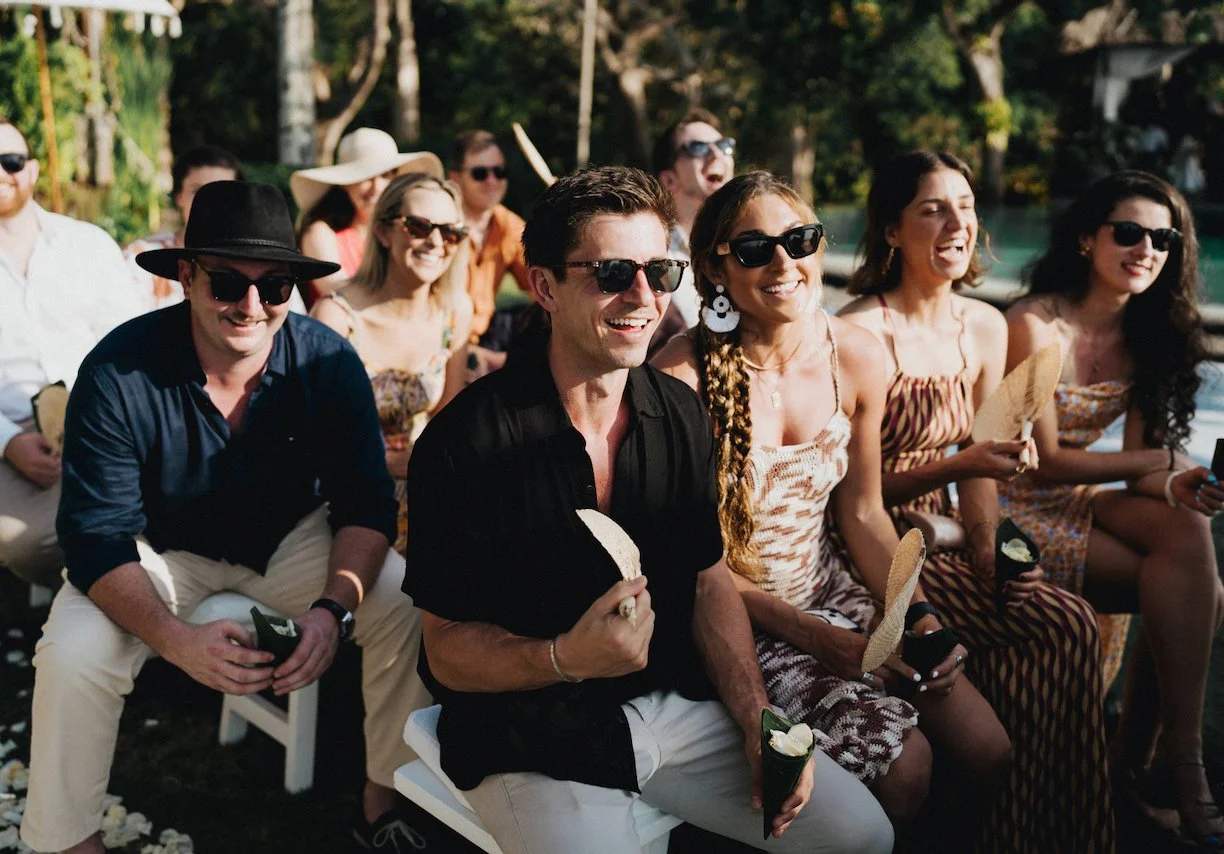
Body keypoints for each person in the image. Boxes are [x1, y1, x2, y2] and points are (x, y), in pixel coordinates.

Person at [403, 164, 894, 854]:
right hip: (529, 732)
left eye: (659, 273)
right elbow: (445, 647)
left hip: (671, 706)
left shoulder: (679, 411)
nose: (644, 297)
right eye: (611, 274)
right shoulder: (466, 442)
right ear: (544, 286)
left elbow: (707, 576)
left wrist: (756, 719)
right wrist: (564, 657)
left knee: (863, 835)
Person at [19, 182, 432, 854]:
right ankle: (67, 843)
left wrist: (332, 611)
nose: (251, 305)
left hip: (289, 539)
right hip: (156, 549)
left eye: (274, 287)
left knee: (400, 597)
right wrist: (174, 638)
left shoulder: (328, 361)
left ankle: (383, 799)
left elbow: (366, 503)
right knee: (72, 651)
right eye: (227, 283)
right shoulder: (119, 369)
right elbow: (94, 536)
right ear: (186, 276)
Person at [653, 171, 1013, 834]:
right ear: (716, 269)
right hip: (740, 618)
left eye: (800, 239)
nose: (785, 262)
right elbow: (689, 564)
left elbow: (864, 514)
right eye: (756, 249)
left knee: (988, 751)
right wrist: (816, 636)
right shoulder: (680, 377)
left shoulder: (855, 355)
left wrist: (918, 614)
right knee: (908, 770)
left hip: (834, 590)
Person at [838, 150, 1114, 854]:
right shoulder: (856, 331)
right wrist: (959, 462)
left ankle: (1047, 830)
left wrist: (991, 545)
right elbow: (850, 493)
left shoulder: (986, 327)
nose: (958, 221)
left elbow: (983, 470)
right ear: (892, 230)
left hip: (955, 533)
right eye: (933, 207)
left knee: (1065, 623)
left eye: (965, 205)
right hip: (874, 545)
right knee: (1064, 627)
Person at [1003, 169, 1224, 852]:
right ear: (1085, 239)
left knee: (1187, 537)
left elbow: (1139, 462)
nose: (1147, 248)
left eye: (1163, 237)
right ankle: (1146, 768)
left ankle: (1167, 760)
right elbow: (1043, 460)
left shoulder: (1150, 332)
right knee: (1196, 594)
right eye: (1128, 233)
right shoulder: (1034, 324)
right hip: (1010, 501)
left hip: (1082, 495)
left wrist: (1175, 486)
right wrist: (1164, 467)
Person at [0, 111, 141, 590]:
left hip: (98, 415)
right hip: (3, 426)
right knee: (25, 545)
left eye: (11, 160)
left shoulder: (87, 244)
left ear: (31, 169)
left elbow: (129, 339)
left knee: (158, 500)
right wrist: (9, 444)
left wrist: (103, 418)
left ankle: (116, 598)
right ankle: (111, 589)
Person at [312, 172, 473, 550]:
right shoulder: (337, 316)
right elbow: (317, 435)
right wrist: (395, 464)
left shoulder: (454, 310)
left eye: (450, 232)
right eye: (418, 227)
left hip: (428, 488)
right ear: (383, 233)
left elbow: (448, 417)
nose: (436, 242)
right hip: (347, 497)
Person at [292, 127, 443, 305]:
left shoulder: (404, 232)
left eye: (385, 175)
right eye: (365, 177)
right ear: (344, 184)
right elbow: (337, 291)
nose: (376, 187)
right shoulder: (321, 233)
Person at [447, 129, 532, 374]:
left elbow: (545, 287)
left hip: (483, 340)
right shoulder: (439, 226)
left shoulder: (509, 225)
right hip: (439, 339)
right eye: (480, 173)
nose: (492, 181)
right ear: (454, 178)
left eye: (499, 171)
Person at [123, 145, 245, 310]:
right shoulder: (140, 257)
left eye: (224, 192)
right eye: (198, 191)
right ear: (179, 195)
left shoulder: (259, 263)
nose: (211, 202)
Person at [651, 107, 736, 332]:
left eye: (724, 146)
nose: (717, 155)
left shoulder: (752, 246)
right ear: (669, 179)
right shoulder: (656, 258)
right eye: (698, 148)